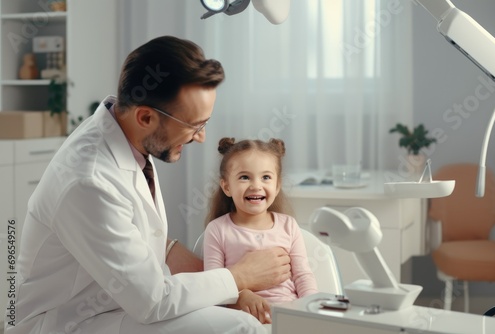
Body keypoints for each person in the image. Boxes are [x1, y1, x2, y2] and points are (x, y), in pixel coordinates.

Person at [4, 36, 291, 334]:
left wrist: (231, 290)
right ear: (145, 117)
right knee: (241, 329)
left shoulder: (131, 135)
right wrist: (239, 276)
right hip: (67, 322)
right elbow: (153, 301)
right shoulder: (89, 181)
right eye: (195, 126)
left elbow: (153, 244)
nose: (201, 137)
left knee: (243, 320)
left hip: (116, 304)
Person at [204, 137, 318, 324]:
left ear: (277, 185)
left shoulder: (288, 226)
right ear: (226, 186)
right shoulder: (217, 230)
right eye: (244, 177)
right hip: (240, 321)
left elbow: (303, 276)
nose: (256, 185)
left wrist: (310, 310)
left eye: (265, 177)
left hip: (287, 317)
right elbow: (213, 285)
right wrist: (240, 296)